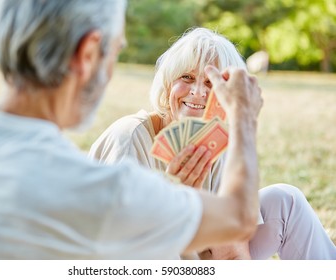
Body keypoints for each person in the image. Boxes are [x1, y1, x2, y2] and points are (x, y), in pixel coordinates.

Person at [0, 0, 263, 259]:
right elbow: (237, 219)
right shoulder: (99, 189)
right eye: (114, 51)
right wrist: (243, 118)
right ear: (87, 54)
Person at [89, 27, 336, 260]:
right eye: (186, 77)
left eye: (210, 82)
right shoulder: (129, 137)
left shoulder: (217, 144)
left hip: (199, 257)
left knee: (285, 200)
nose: (197, 92)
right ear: (167, 85)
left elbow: (232, 255)